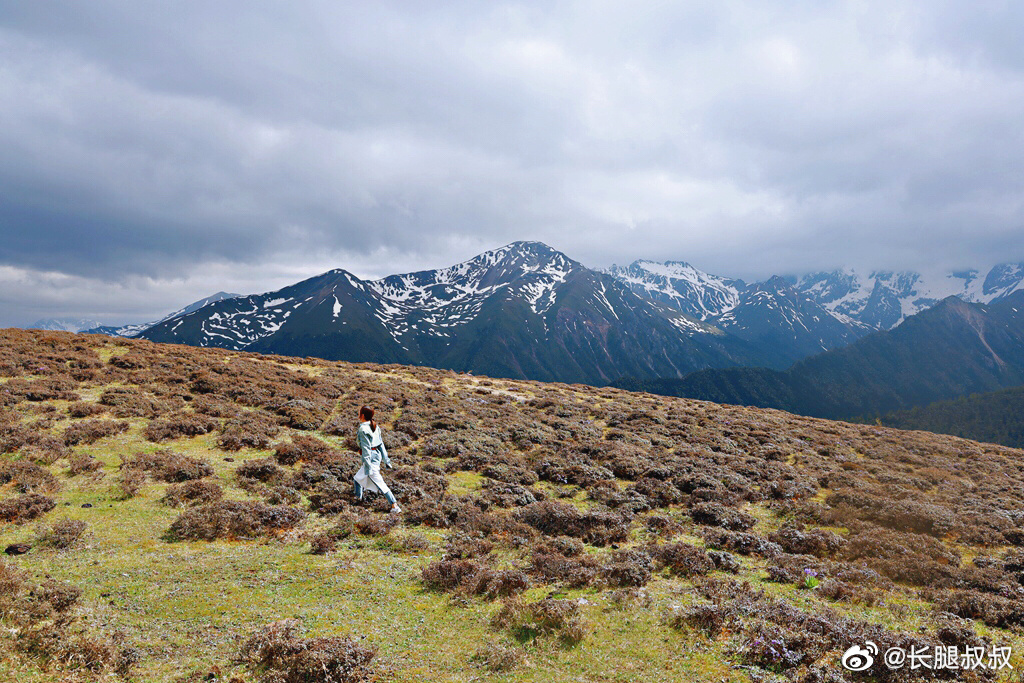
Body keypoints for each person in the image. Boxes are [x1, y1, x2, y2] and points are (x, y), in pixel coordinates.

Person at [354, 405, 401, 513]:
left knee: (379, 482)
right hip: (376, 455)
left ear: (362, 415)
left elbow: (366, 449)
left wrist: (367, 467)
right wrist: (386, 460)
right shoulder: (374, 425)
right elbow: (381, 444)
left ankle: (395, 506)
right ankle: (357, 502)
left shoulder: (363, 429)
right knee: (357, 479)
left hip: (370, 458)